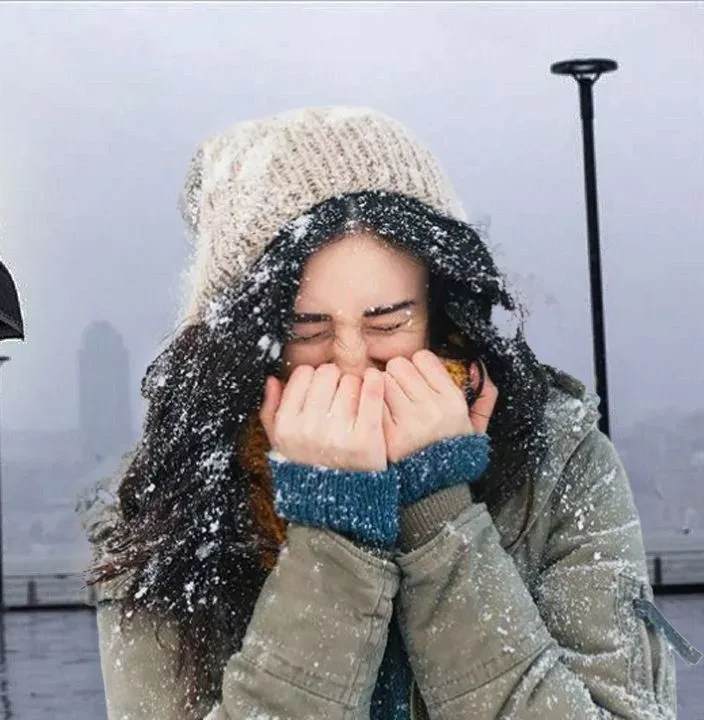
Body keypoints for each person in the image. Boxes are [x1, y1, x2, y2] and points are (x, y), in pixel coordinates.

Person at [82, 107, 681, 719]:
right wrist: (334, 532)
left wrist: (439, 513)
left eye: (387, 323)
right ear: (245, 342)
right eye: (307, 329)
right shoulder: (160, 514)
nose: (351, 363)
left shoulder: (558, 466)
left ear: (441, 312)